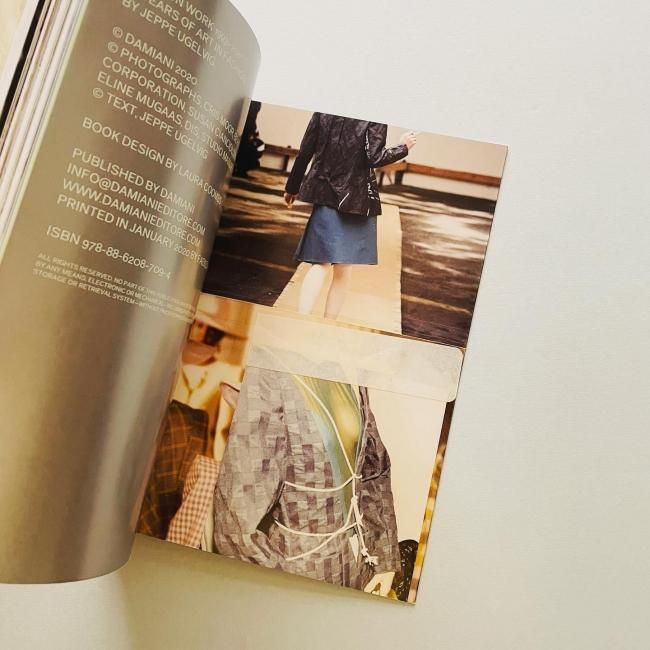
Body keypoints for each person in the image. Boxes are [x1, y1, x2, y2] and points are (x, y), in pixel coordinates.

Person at [214, 366, 400, 595]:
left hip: (359, 565)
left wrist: (384, 557)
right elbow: (235, 525)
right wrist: (285, 586)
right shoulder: (270, 374)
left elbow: (374, 469)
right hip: (302, 570)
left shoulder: (351, 371)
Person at [283, 112, 417, 319]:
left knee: (319, 263)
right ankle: (329, 325)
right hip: (355, 197)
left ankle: (301, 319)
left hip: (324, 192)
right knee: (344, 269)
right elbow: (375, 157)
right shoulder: (375, 113)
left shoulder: (325, 108)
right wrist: (403, 147)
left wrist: (292, 187)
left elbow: (306, 150)